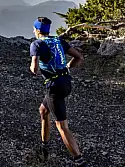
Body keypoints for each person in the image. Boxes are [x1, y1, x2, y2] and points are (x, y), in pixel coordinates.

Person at [29, 16, 87, 166]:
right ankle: (44, 144)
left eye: (34, 28)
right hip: (66, 82)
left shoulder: (36, 44)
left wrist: (34, 69)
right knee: (43, 110)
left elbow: (34, 69)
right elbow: (79, 57)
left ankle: (79, 160)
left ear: (36, 30)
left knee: (62, 126)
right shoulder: (58, 40)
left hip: (54, 87)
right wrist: (68, 66)